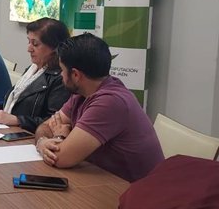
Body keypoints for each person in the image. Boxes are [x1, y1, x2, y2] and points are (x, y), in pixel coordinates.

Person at [34, 33, 164, 182]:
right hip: (104, 181)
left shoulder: (110, 102)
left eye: (62, 70)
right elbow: (45, 126)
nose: (61, 76)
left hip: (136, 192)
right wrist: (42, 141)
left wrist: (59, 137)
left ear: (76, 75)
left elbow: (60, 158)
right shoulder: (82, 92)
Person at [0, 18, 70, 132]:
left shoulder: (61, 78)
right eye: (29, 42)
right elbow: (20, 102)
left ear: (54, 48)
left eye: (35, 44)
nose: (29, 49)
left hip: (30, 137)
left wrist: (17, 120)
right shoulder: (33, 69)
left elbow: (54, 121)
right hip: (11, 130)